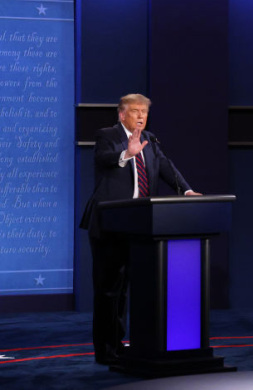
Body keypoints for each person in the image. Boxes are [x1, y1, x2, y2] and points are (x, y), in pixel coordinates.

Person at [79, 93, 201, 365]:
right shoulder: (107, 135)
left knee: (129, 291)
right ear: (122, 114)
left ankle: (124, 344)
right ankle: (106, 350)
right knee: (109, 290)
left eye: (144, 111)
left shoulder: (151, 140)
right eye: (135, 111)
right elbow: (104, 158)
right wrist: (126, 153)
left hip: (140, 225)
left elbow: (167, 168)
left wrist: (188, 190)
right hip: (109, 224)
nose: (141, 116)